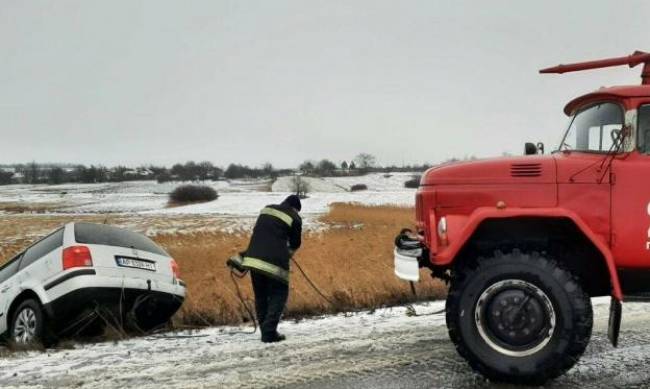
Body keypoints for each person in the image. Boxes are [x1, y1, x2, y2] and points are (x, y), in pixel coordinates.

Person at [241, 194, 302, 343]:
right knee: (279, 293)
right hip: (275, 262)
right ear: (295, 208)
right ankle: (269, 332)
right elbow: (295, 244)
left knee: (261, 296)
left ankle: (265, 331)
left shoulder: (266, 210)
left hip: (253, 259)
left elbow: (262, 234)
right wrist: (287, 252)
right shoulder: (295, 217)